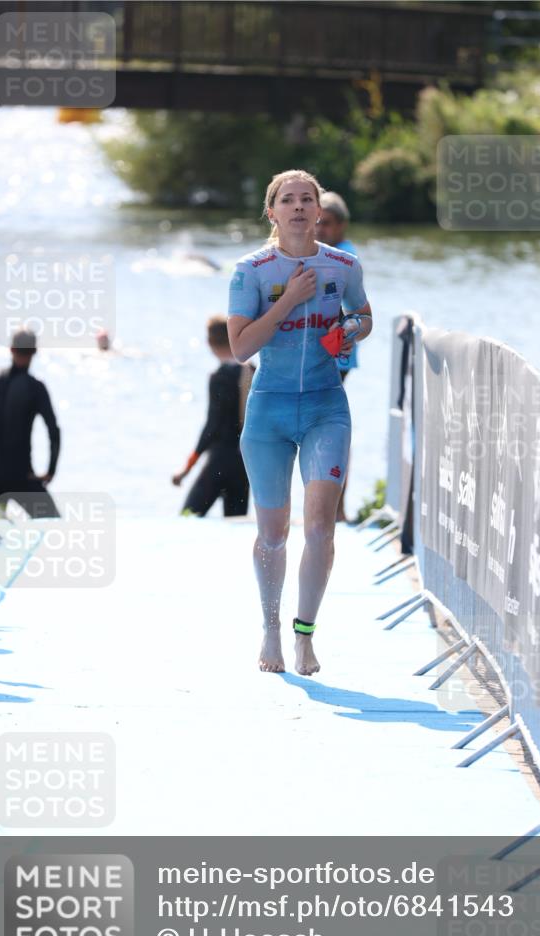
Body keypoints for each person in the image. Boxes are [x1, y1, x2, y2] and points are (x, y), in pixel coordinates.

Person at [228, 169, 372, 675]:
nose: (297, 207)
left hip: (325, 406)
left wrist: (350, 331)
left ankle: (304, 636)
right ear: (272, 213)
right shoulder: (252, 271)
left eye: (306, 199)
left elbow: (365, 315)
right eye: (287, 200)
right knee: (272, 533)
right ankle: (270, 630)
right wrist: (289, 299)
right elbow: (240, 346)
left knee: (320, 526)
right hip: (268, 408)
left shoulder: (344, 265)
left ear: (318, 212)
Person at [172, 315, 254, 517]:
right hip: (245, 462)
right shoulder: (253, 370)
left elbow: (213, 426)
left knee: (187, 516)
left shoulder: (219, 377)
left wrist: (188, 467)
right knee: (236, 524)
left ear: (210, 343)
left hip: (220, 460)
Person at [316, 190, 360, 523]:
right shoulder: (326, 252)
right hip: (327, 352)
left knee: (331, 430)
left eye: (326, 224)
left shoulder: (343, 255)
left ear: (342, 225)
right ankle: (333, 507)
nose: (319, 230)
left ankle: (337, 508)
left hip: (335, 354)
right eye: (316, 224)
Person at [0, 329, 61, 517]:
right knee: (54, 527)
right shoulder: (35, 388)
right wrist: (50, 471)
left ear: (11, 349)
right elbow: (53, 431)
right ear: (34, 352)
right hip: (21, 476)